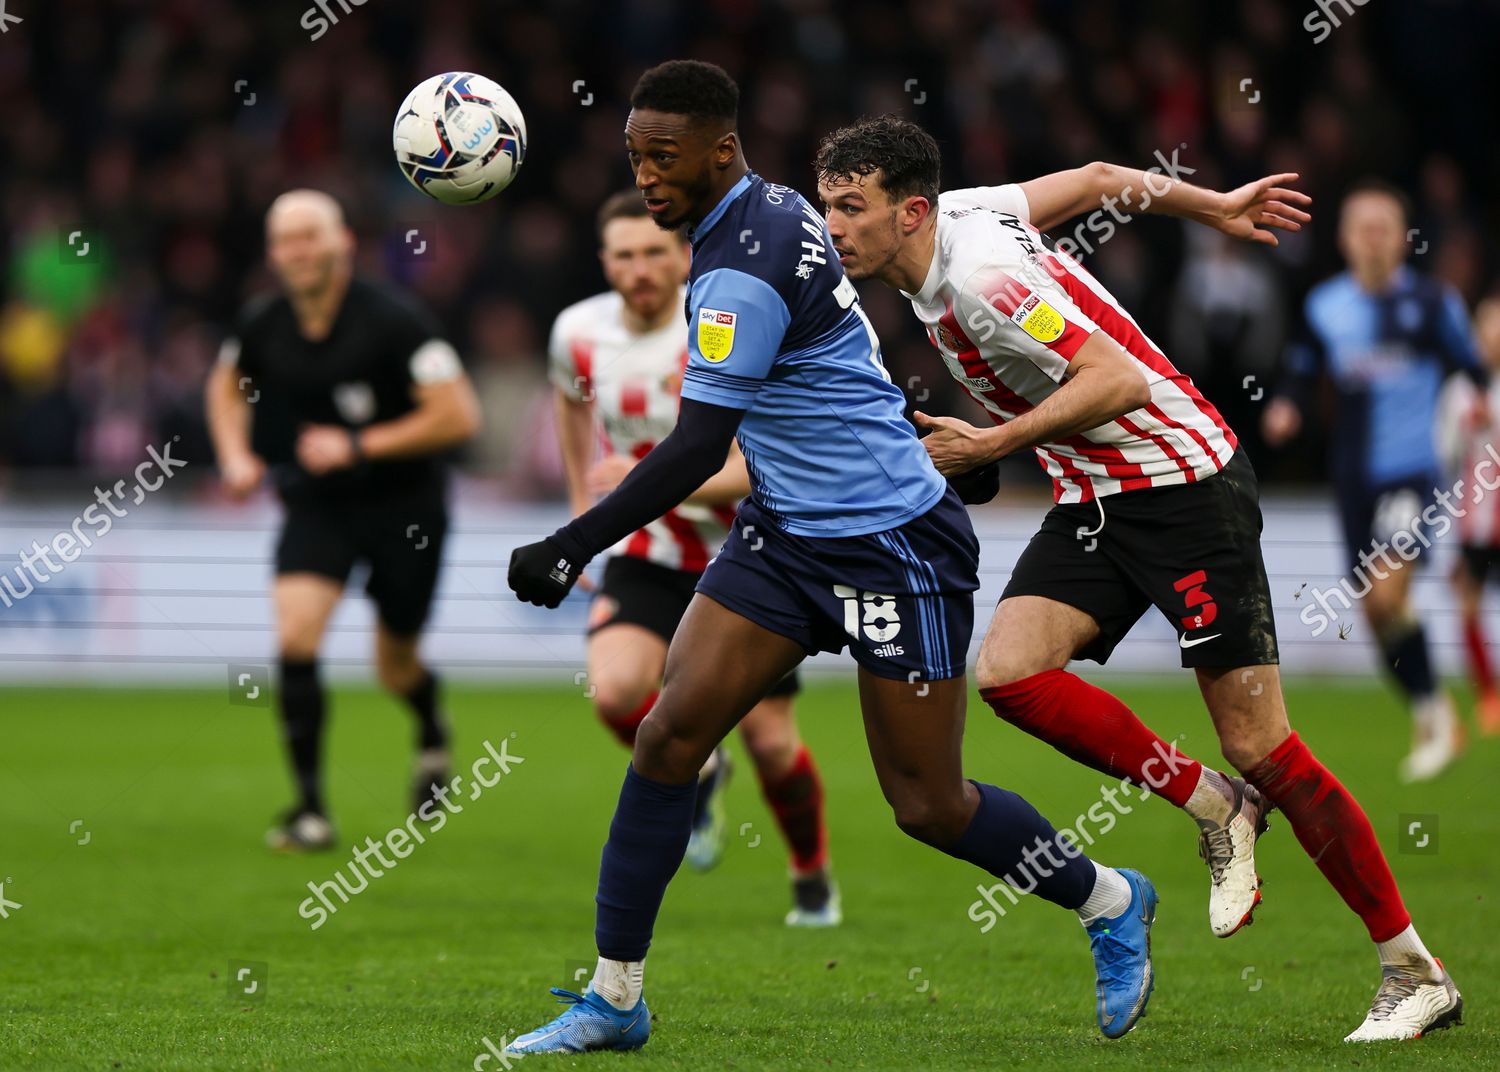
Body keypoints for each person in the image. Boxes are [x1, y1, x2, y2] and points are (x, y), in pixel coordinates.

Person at [505, 61, 1159, 1054]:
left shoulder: (740, 263)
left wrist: (571, 543)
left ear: (721, 149)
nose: (645, 173)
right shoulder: (761, 211)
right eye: (636, 153)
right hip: (784, 535)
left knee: (928, 805)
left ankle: (1111, 898)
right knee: (667, 737)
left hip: (893, 545)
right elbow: (835, 358)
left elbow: (692, 445)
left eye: (664, 155)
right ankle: (615, 997)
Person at [814, 115, 1461, 1043]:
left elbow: (1113, 379)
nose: (834, 228)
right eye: (827, 205)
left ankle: (1414, 971)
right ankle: (1214, 807)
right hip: (1099, 496)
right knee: (1008, 672)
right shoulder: (962, 214)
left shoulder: (987, 282)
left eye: (851, 208)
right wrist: (1214, 205)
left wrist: (992, 443)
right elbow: (1093, 176)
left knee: (1263, 743)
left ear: (911, 211)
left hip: (1184, 486)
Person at [550, 189, 839, 924]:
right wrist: (584, 516)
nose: (641, 269)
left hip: (751, 556)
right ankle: (705, 765)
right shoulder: (577, 331)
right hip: (649, 553)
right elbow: (572, 411)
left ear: (683, 255)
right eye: (625, 255)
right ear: (604, 261)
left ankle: (811, 872)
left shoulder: (720, 325)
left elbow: (759, 465)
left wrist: (645, 480)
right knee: (614, 692)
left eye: (654, 251)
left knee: (774, 745)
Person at [205, 189, 480, 850]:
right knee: (297, 638)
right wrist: (236, 456)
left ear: (343, 243)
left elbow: (458, 414)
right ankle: (310, 811)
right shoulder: (262, 323)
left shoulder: (395, 320)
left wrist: (359, 445)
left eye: (311, 236)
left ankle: (430, 724)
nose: (299, 251)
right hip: (318, 502)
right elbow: (225, 385)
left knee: (395, 666)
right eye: (286, 240)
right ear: (272, 254)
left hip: (405, 509)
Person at [1263, 179, 1487, 782]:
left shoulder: (1433, 305)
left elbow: (1474, 369)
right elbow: (1300, 372)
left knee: (1389, 592)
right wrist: (1286, 407)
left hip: (1412, 475)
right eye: (1362, 227)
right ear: (1343, 238)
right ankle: (1434, 710)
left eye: (1384, 227)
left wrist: (1483, 403)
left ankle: (1437, 715)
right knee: (1376, 614)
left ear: (1401, 237)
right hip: (1353, 481)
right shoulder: (1325, 308)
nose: (1373, 239)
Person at [1436, 295, 1500, 736]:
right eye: (1489, 326)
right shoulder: (1460, 389)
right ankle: (1488, 695)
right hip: (1477, 519)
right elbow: (1444, 452)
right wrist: (1466, 427)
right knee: (1469, 604)